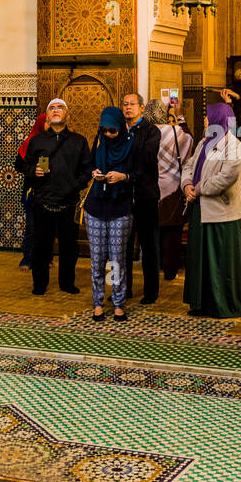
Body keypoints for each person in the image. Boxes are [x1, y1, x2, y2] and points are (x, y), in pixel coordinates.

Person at [15, 98, 91, 296]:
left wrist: (74, 186)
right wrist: (34, 171)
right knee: (41, 247)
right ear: (47, 115)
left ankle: (67, 283)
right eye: (52, 108)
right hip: (42, 203)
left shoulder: (78, 141)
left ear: (67, 114)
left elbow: (86, 170)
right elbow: (25, 165)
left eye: (60, 108)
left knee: (69, 247)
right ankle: (39, 285)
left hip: (68, 204)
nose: (56, 111)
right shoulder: (37, 141)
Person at [182, 101, 241, 318]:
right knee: (201, 259)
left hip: (221, 212)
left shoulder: (234, 146)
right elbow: (190, 165)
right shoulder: (204, 142)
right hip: (201, 209)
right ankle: (202, 303)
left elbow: (226, 177)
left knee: (220, 261)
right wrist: (187, 185)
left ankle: (223, 305)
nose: (205, 120)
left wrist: (198, 189)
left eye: (208, 116)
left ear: (220, 119)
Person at [84, 106, 134, 321]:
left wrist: (124, 176)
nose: (107, 135)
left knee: (116, 260)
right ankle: (97, 302)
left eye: (112, 131)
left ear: (120, 129)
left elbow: (142, 173)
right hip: (96, 207)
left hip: (120, 208)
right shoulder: (98, 143)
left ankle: (118, 302)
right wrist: (94, 173)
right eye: (104, 130)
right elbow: (87, 166)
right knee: (96, 259)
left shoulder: (131, 146)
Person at [144, 99, 192, 282]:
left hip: (149, 188)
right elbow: (190, 140)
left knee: (152, 232)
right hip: (172, 188)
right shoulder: (175, 131)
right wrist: (179, 115)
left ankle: (153, 268)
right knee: (172, 233)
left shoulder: (144, 133)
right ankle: (170, 270)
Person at [121, 93, 161, 304]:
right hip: (123, 198)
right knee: (122, 247)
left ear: (142, 107)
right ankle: (123, 290)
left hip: (145, 196)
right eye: (125, 105)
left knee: (149, 246)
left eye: (132, 104)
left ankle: (151, 292)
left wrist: (124, 151)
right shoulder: (118, 129)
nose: (128, 108)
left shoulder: (151, 131)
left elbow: (147, 157)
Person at [16, 112, 47, 270]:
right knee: (32, 226)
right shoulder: (30, 142)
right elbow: (18, 165)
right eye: (46, 122)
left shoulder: (58, 142)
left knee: (48, 228)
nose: (49, 124)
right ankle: (27, 258)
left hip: (51, 192)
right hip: (32, 191)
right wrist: (33, 169)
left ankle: (45, 259)